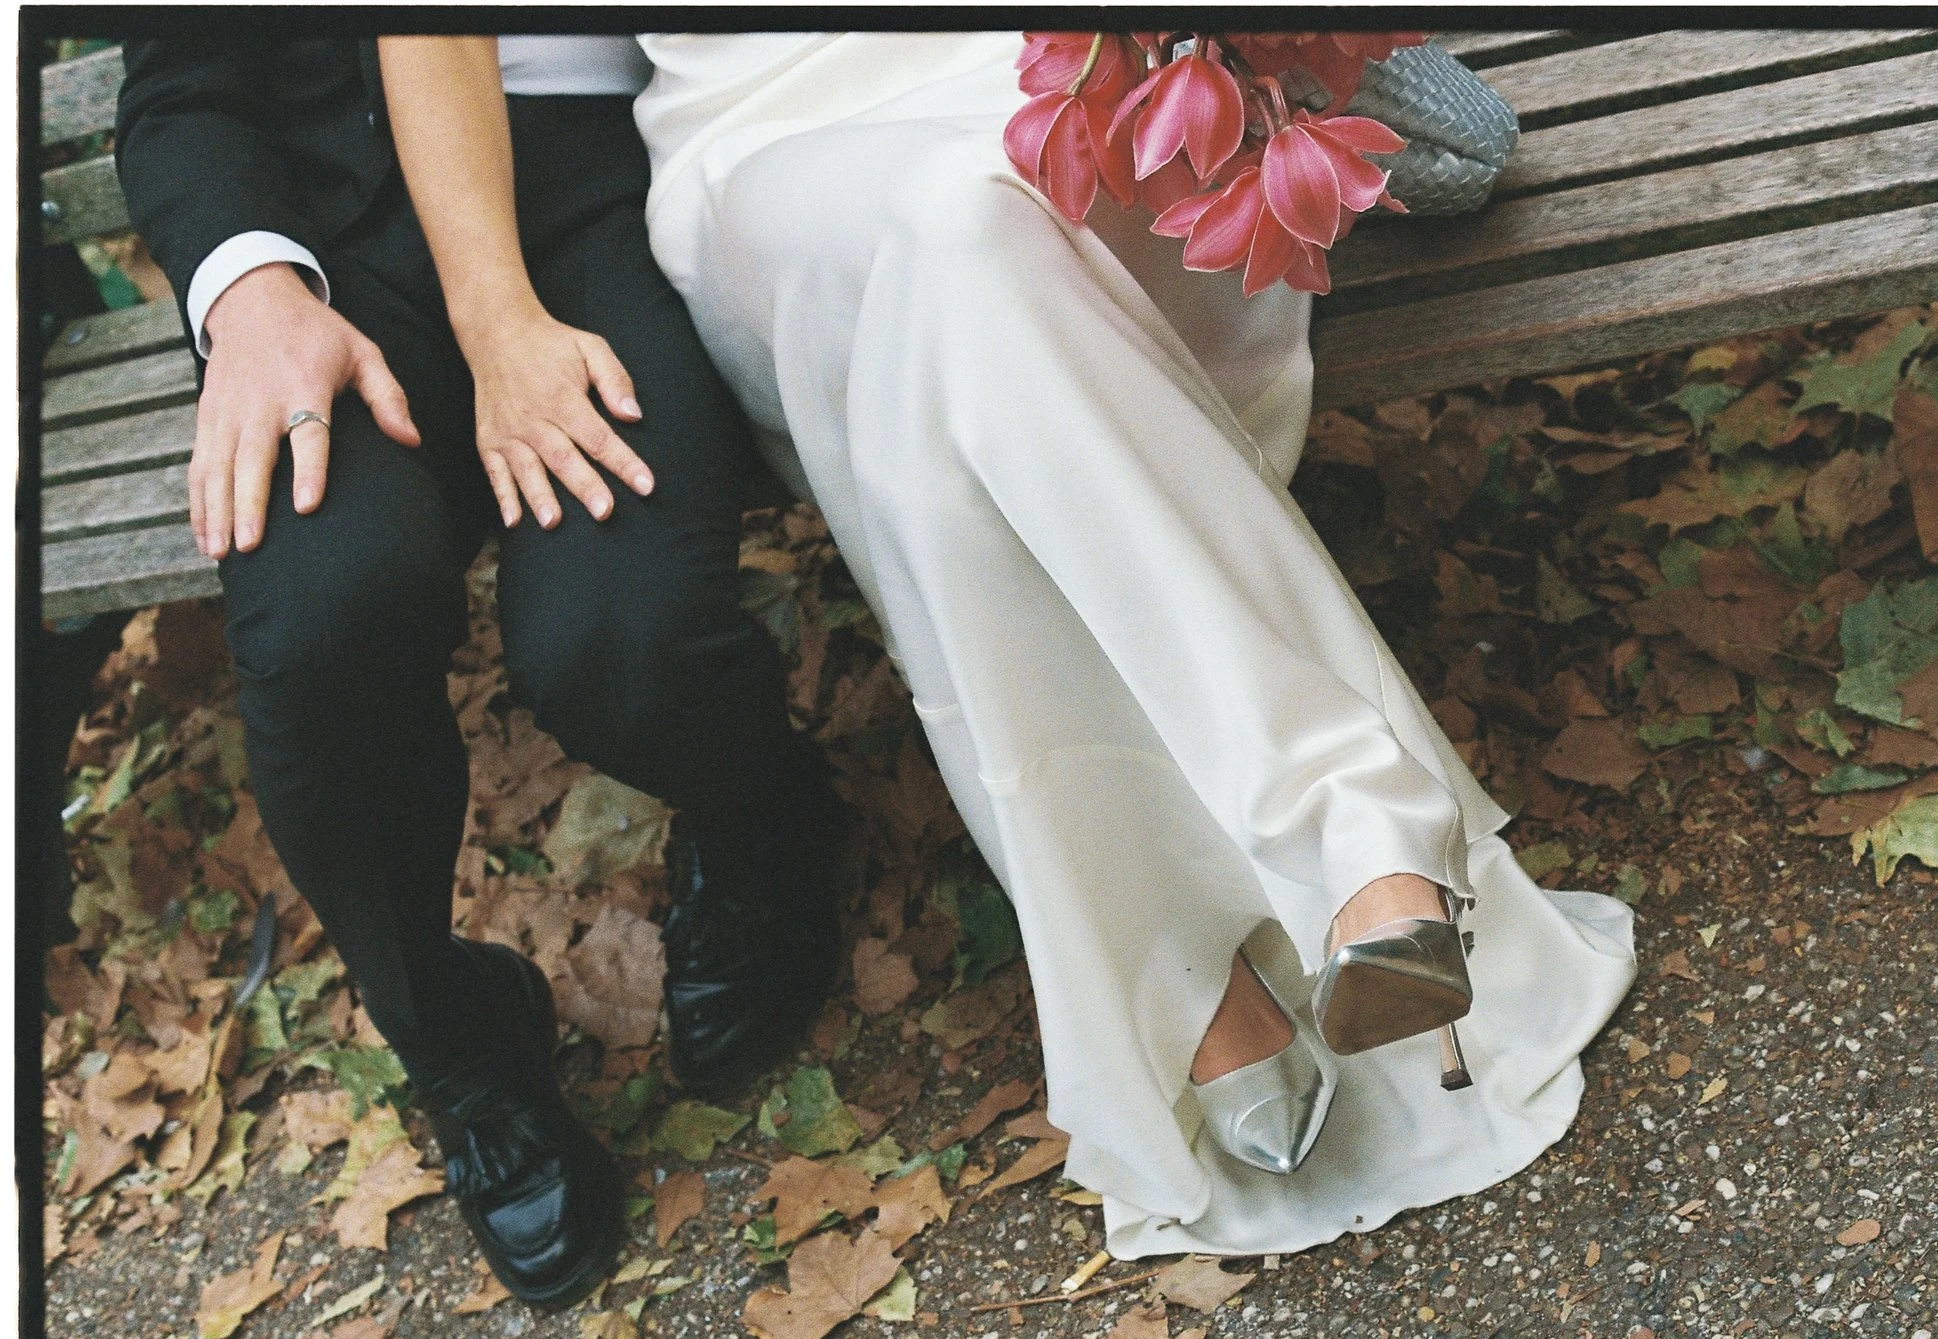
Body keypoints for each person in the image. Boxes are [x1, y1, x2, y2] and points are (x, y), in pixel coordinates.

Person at [383, 31, 1635, 1260]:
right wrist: (497, 327)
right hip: (763, 144)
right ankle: (1351, 829)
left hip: (1059, 85)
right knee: (947, 231)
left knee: (959, 301)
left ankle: (1179, 976)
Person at [113, 33, 862, 1308]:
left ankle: (767, 813)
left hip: (584, 193)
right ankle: (453, 1039)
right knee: (319, 616)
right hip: (320, 247)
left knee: (618, 642)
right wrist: (251, 291)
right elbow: (184, 78)